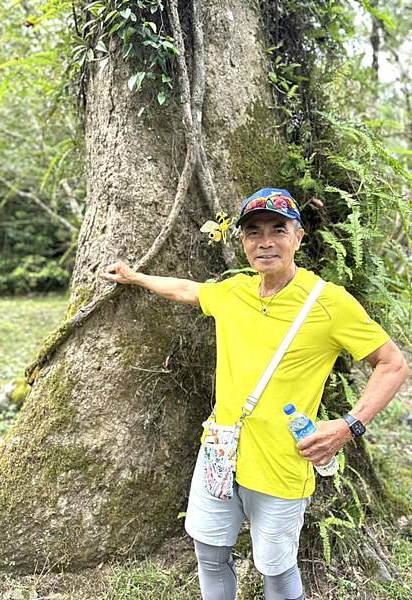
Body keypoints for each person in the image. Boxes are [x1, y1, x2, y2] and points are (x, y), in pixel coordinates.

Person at [100, 187, 409, 600]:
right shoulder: (235, 291)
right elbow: (189, 290)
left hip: (282, 461)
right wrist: (136, 277)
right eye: (253, 231)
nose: (265, 241)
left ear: (299, 236)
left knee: (277, 570)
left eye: (278, 229)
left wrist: (348, 426)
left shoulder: (328, 302)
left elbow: (393, 364)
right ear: (242, 241)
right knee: (209, 553)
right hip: (220, 450)